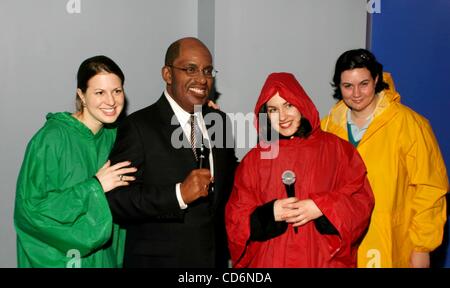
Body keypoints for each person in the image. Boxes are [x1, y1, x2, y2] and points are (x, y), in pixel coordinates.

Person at [106, 37, 237, 268]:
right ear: (168, 74)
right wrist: (178, 194)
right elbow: (118, 200)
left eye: (207, 71)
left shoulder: (219, 121)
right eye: (190, 69)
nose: (202, 79)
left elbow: (232, 180)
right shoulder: (138, 126)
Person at [225, 72, 374, 267]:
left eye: (288, 105)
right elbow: (236, 218)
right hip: (271, 260)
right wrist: (269, 214)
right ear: (265, 115)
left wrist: (321, 207)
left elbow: (360, 202)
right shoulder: (254, 160)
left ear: (302, 105)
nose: (283, 116)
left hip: (322, 259)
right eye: (273, 109)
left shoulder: (337, 150)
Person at [321, 48, 449, 268]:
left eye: (364, 83)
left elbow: (430, 188)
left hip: (390, 244)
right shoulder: (327, 127)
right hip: (340, 247)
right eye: (347, 86)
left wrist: (421, 248)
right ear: (338, 87)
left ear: (376, 79)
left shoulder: (410, 124)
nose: (356, 93)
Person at [14, 55, 136, 267]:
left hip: (104, 258)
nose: (111, 101)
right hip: (62, 259)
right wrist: (95, 186)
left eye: (117, 91)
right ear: (82, 94)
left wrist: (201, 115)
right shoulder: (51, 138)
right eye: (99, 92)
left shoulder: (117, 136)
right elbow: (30, 210)